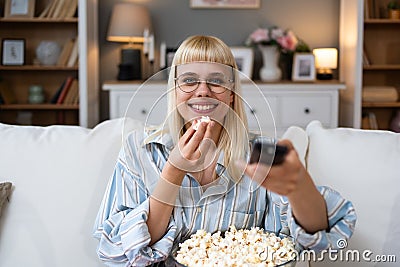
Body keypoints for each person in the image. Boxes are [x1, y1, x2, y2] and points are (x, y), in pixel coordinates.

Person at [93, 35, 356, 266]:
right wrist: (173, 172)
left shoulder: (260, 154)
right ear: (174, 90)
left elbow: (320, 238)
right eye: (189, 80)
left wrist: (298, 186)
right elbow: (118, 252)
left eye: (216, 81)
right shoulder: (138, 150)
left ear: (231, 93)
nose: (203, 91)